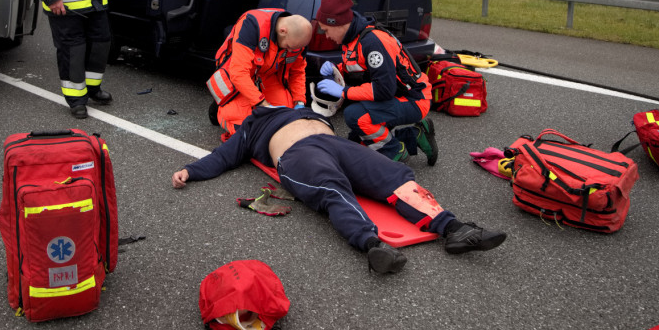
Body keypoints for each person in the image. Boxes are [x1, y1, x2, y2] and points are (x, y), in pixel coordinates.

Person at [171, 105, 508, 274]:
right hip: (298, 154)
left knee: (395, 177)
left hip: (336, 146)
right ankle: (374, 246)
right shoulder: (249, 127)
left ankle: (455, 229)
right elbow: (222, 157)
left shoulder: (300, 106)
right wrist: (190, 170)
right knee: (333, 189)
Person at [314, 0, 437, 164]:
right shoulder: (352, 38)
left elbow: (383, 89)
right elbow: (359, 71)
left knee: (356, 116)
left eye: (326, 30)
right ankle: (415, 135)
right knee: (357, 145)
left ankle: (395, 151)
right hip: (397, 96)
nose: (326, 36)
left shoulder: (372, 42)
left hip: (414, 99)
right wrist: (336, 71)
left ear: (338, 23)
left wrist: (344, 91)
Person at [207, 9, 313, 140]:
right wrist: (263, 104)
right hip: (236, 78)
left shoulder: (297, 40)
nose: (291, 51)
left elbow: (297, 72)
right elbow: (238, 73)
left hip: (266, 75)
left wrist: (300, 101)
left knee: (287, 118)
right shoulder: (252, 25)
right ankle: (221, 108)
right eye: (289, 47)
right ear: (282, 31)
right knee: (245, 127)